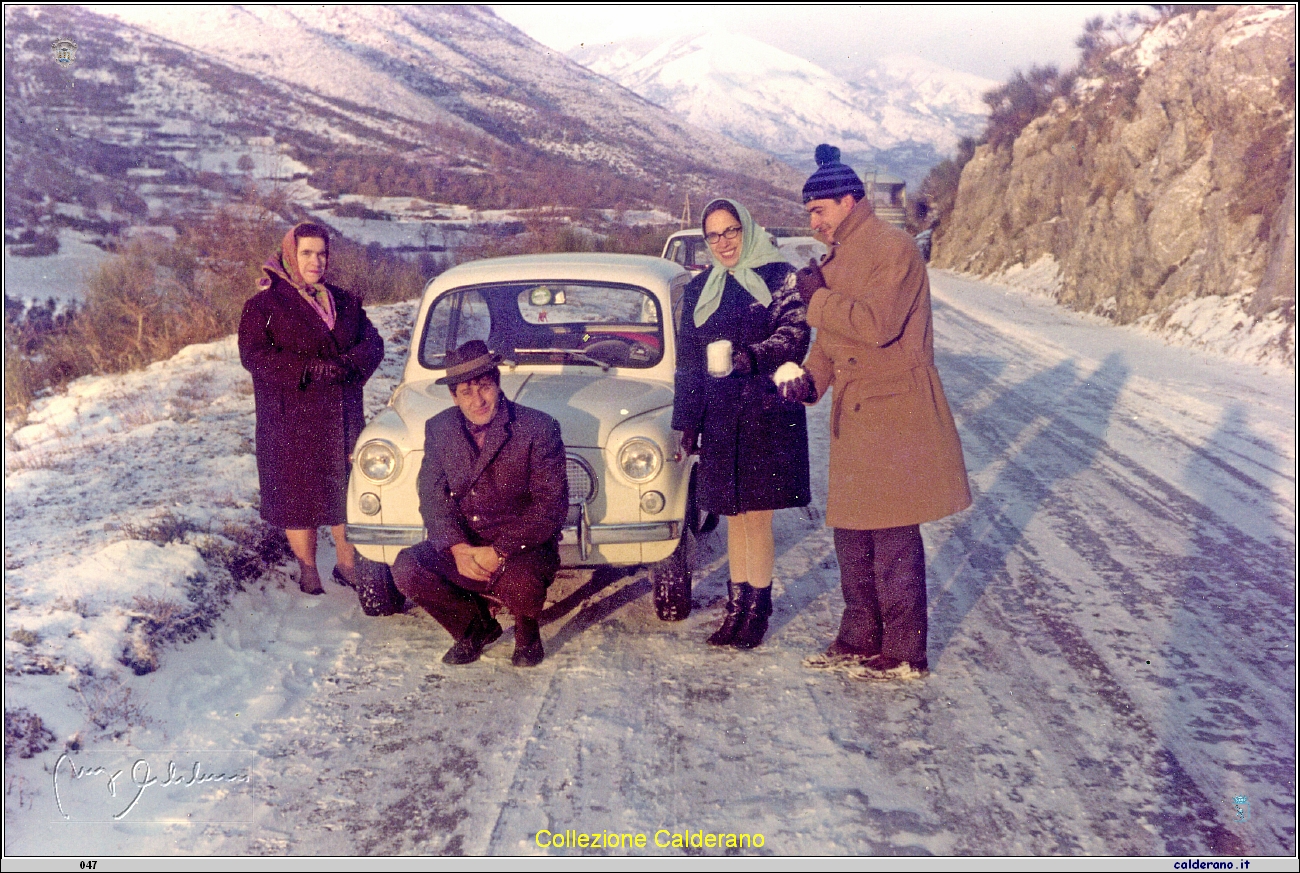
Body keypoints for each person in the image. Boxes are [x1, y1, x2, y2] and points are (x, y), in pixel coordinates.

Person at [783, 144, 972, 681]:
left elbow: (876, 324)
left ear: (848, 201)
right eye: (810, 215)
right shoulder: (839, 257)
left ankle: (906, 649)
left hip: (894, 410)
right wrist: (810, 381)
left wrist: (817, 299)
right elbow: (833, 338)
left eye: (819, 211)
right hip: (856, 412)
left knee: (890, 534)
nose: (814, 223)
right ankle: (859, 635)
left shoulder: (894, 248)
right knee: (851, 531)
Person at [673, 198, 811, 650]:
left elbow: (794, 334)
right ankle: (736, 609)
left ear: (747, 228)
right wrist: (686, 424)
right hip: (719, 417)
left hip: (765, 412)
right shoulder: (699, 291)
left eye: (731, 231)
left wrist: (750, 357)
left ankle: (758, 610)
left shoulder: (778, 276)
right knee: (732, 516)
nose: (724, 242)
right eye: (713, 235)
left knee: (758, 517)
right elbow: (689, 364)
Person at [391, 340, 568, 668]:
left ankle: (527, 632)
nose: (478, 400)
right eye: (466, 392)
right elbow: (431, 496)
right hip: (466, 543)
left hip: (521, 546)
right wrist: (457, 547)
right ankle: (475, 629)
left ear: (498, 385)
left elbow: (551, 505)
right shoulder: (440, 428)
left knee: (521, 582)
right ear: (453, 396)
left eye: (484, 386)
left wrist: (500, 550)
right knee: (407, 567)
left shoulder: (538, 427)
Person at [238, 222, 384, 596]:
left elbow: (374, 344)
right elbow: (253, 355)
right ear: (290, 254)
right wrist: (305, 369)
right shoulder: (264, 305)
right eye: (306, 253)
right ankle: (308, 571)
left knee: (346, 489)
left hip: (342, 412)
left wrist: (349, 365)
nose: (315, 261)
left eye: (322, 253)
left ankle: (347, 565)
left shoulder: (346, 301)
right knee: (297, 494)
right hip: (290, 416)